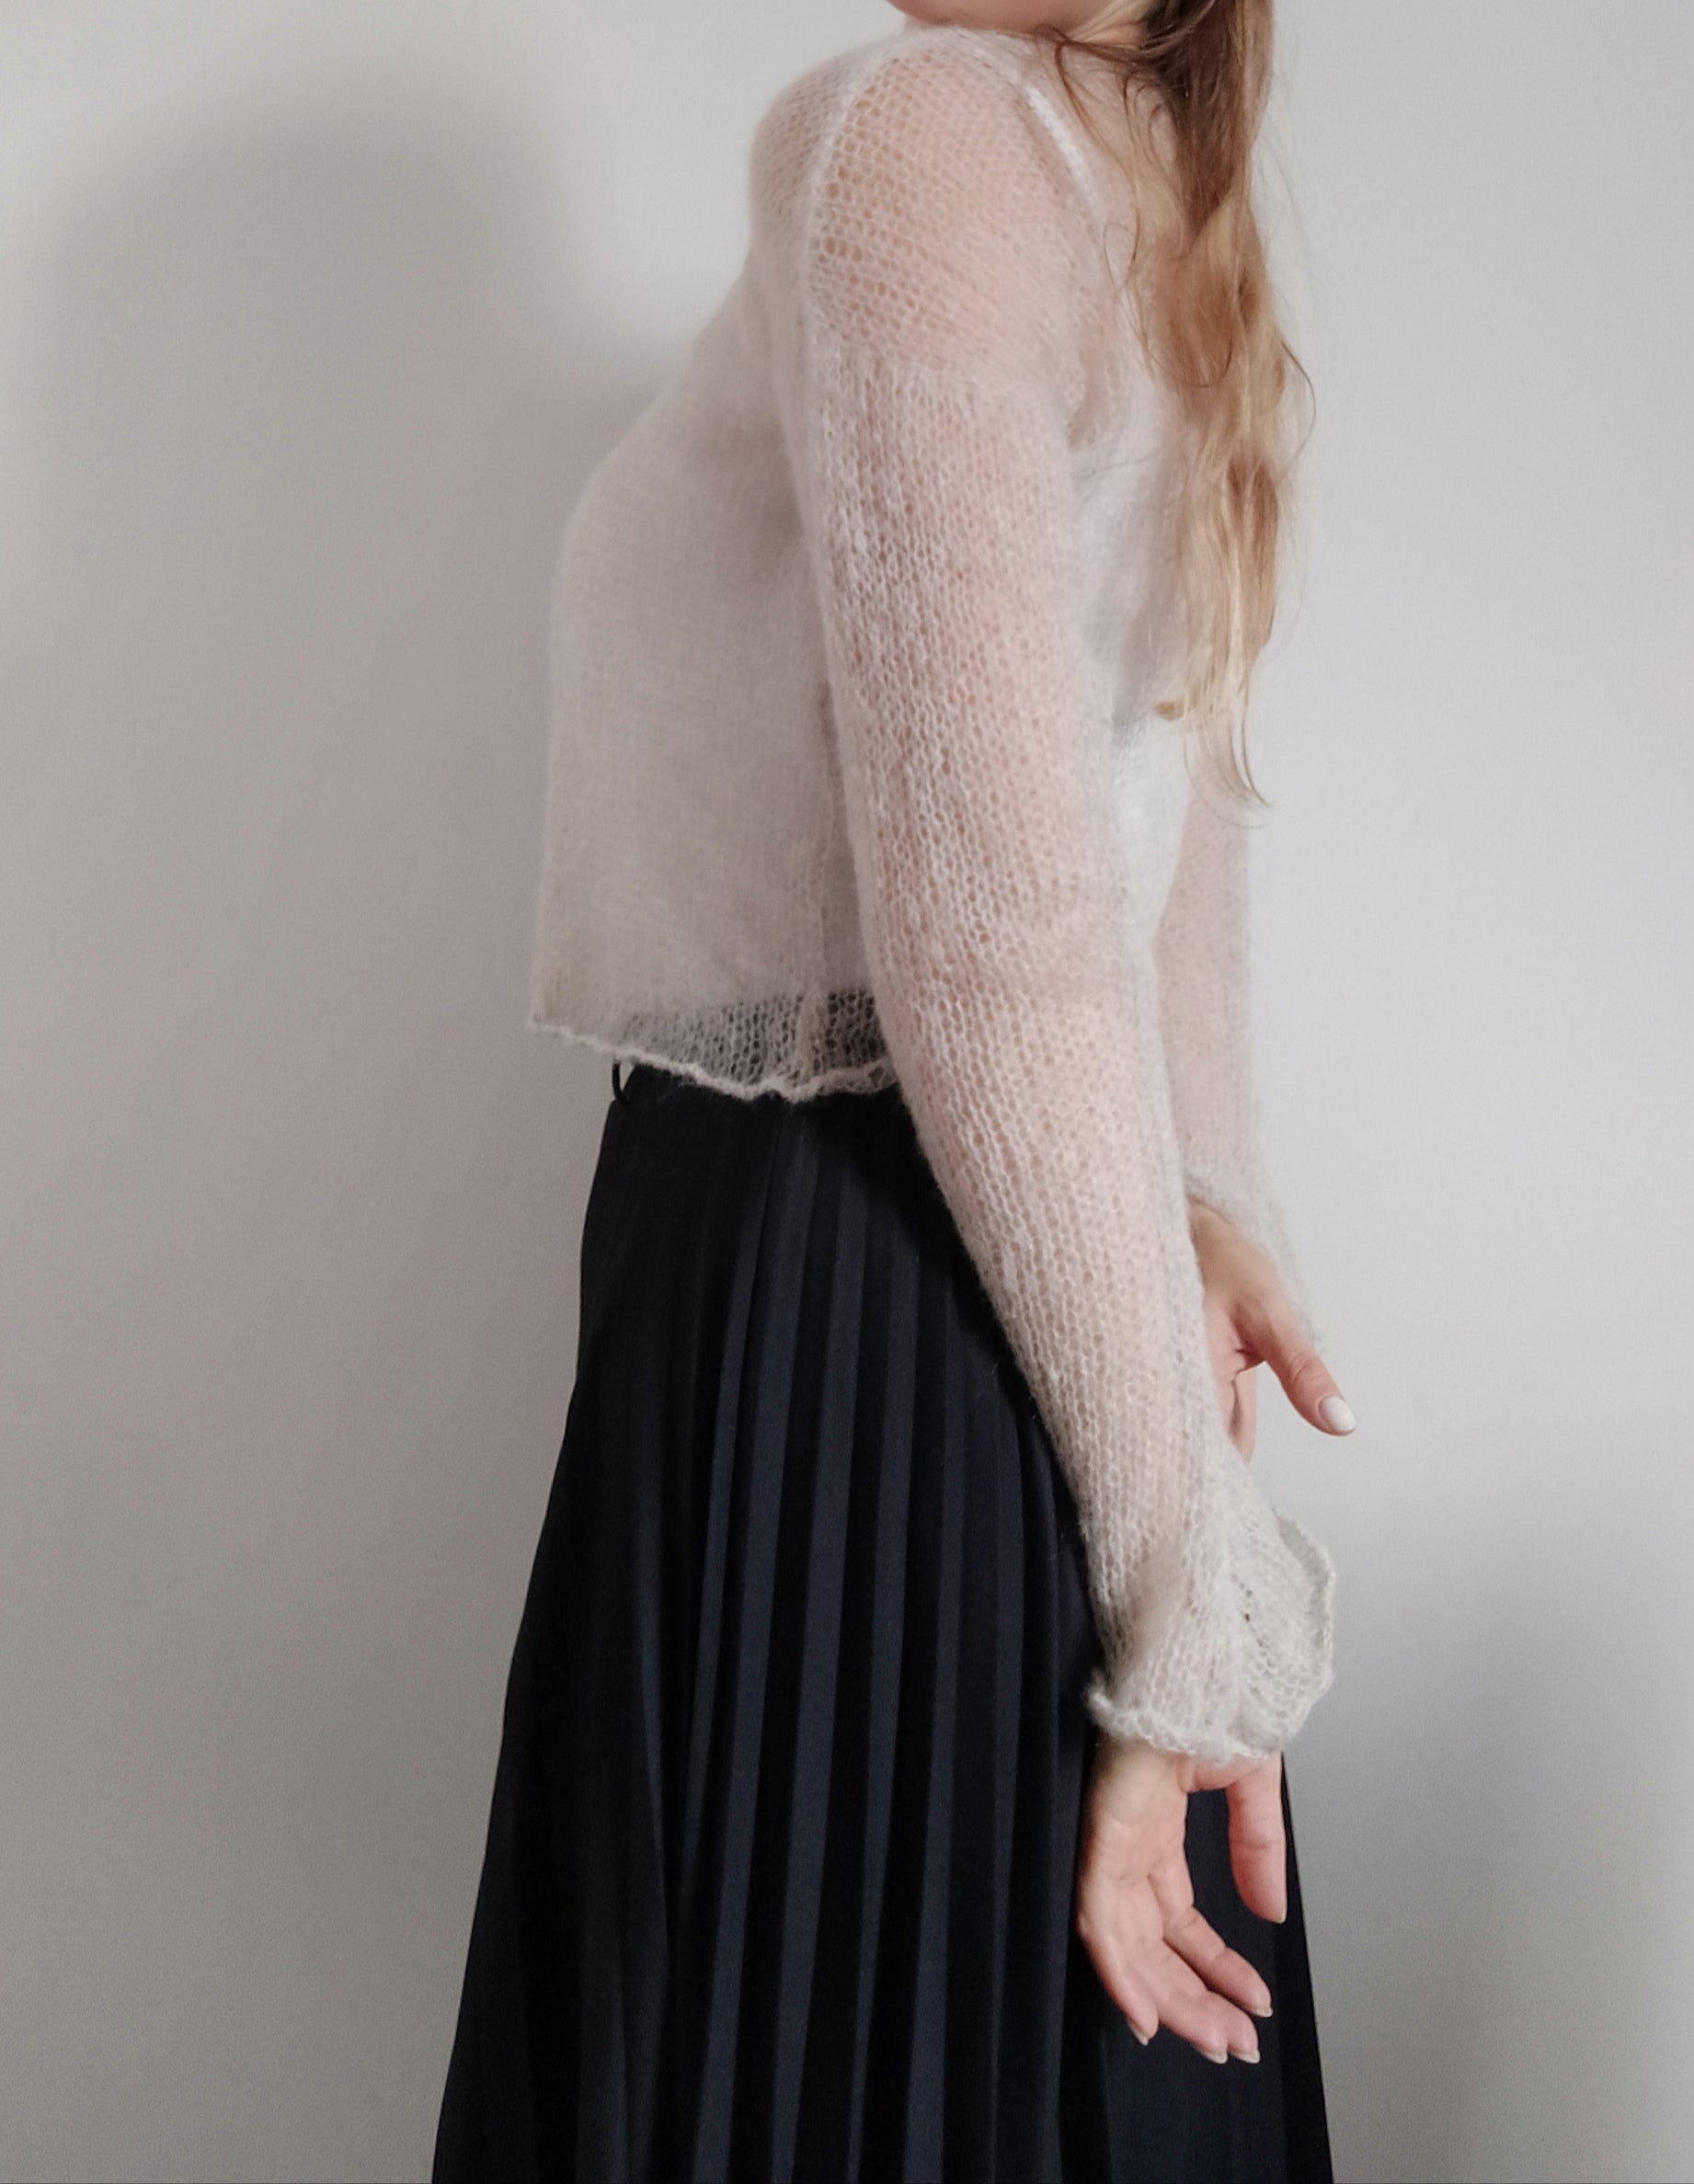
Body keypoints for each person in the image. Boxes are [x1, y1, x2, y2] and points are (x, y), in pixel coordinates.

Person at [433, 0, 1355, 2176]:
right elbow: (1160, 794)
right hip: (1052, 1267)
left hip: (831, 1292)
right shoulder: (1148, 175)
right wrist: (1197, 1207)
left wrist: (1189, 1616)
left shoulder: (919, 137)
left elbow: (1005, 916)